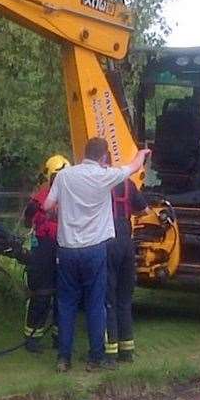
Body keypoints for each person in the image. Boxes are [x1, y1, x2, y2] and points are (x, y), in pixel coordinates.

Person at [43, 138, 150, 373]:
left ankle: (63, 358)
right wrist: (142, 153)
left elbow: (47, 206)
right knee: (95, 304)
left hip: (67, 249)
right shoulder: (104, 176)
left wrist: (60, 214)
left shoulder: (64, 176)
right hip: (94, 249)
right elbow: (132, 168)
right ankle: (95, 358)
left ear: (85, 153)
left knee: (67, 304)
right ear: (103, 157)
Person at [21, 155, 69, 353]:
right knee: (41, 293)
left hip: (65, 246)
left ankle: (60, 336)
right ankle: (33, 337)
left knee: (64, 295)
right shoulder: (40, 196)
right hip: (43, 247)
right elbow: (27, 220)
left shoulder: (73, 195)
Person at [105, 178, 149, 364]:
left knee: (109, 300)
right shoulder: (128, 184)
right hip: (127, 245)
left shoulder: (102, 183)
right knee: (124, 299)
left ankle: (110, 353)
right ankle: (127, 351)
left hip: (108, 240)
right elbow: (144, 210)